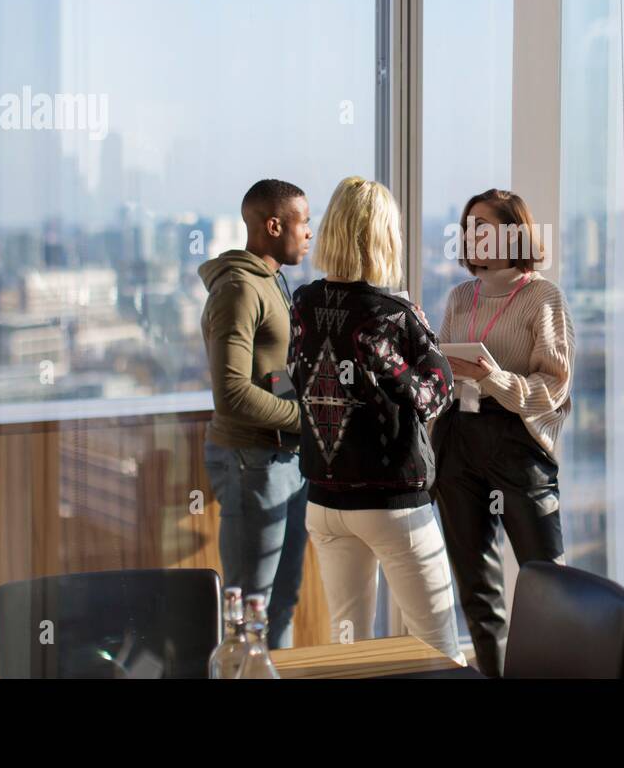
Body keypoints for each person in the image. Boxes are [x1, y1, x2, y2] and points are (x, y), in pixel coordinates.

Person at [289, 176, 464, 664]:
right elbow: (435, 396)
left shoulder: (303, 303)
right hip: (392, 502)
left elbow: (301, 378)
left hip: (324, 500)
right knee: (438, 650)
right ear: (385, 236)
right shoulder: (394, 314)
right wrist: (405, 350)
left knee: (350, 654)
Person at [432, 188, 576, 676]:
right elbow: (444, 376)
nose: (472, 236)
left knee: (546, 580)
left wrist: (491, 377)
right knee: (476, 588)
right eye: (468, 226)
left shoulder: (543, 296)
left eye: (484, 227)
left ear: (514, 232)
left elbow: (553, 388)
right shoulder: (460, 296)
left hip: (517, 442)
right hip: (460, 438)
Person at [198, 178, 313, 649]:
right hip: (253, 463)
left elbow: (270, 373)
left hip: (285, 461)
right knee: (249, 613)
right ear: (273, 225)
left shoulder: (271, 281)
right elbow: (231, 393)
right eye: (304, 222)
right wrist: (307, 419)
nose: (310, 233)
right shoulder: (239, 290)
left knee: (282, 602)